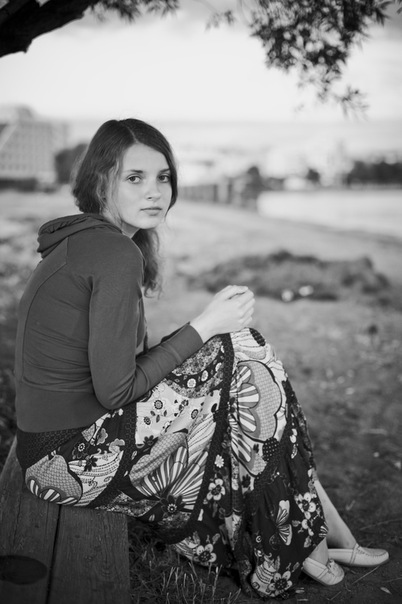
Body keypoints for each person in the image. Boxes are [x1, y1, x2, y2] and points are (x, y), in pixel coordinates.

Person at [14, 118, 388, 599]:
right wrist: (205, 325)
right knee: (240, 350)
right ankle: (308, 538)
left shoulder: (92, 241)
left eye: (163, 177)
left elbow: (118, 371)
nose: (155, 191)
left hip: (58, 448)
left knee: (238, 358)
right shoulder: (111, 253)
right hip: (68, 462)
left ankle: (317, 530)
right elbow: (116, 391)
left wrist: (205, 337)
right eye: (135, 178)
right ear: (101, 181)